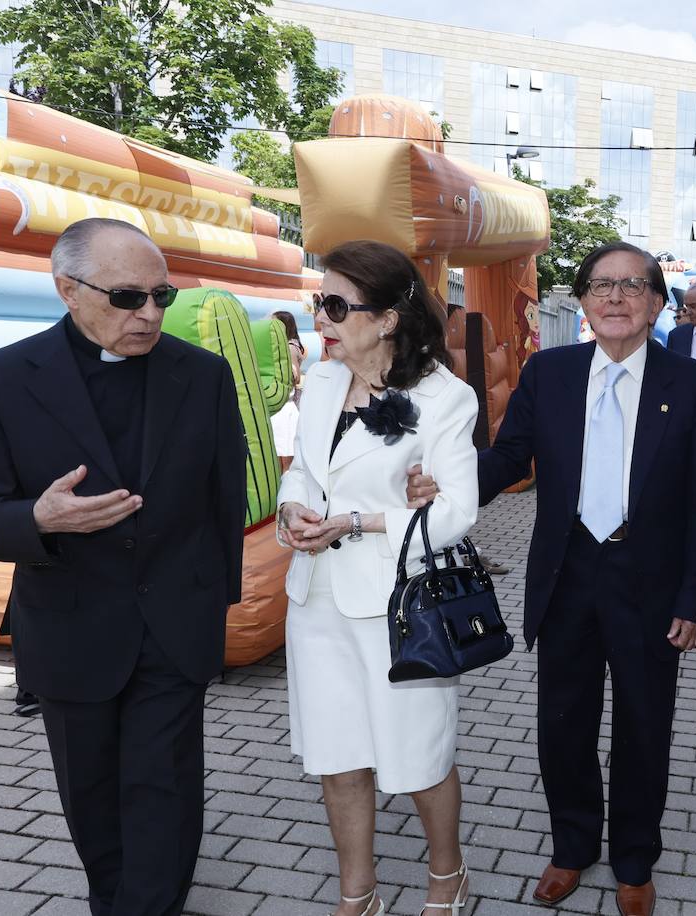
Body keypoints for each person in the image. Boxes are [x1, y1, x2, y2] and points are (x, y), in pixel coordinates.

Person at [0, 217, 247, 914]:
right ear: (67, 291)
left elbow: (223, 498)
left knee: (163, 791)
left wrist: (215, 607)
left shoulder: (201, 374)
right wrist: (37, 520)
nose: (148, 314)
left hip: (174, 625)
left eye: (160, 297)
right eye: (127, 297)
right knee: (92, 793)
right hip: (70, 627)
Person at [410, 242, 696, 916]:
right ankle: (573, 847)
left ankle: (635, 861)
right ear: (581, 302)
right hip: (567, 572)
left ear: (657, 303)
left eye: (632, 285)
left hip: (651, 582)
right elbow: (509, 457)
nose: (614, 297)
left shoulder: (690, 385)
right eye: (600, 285)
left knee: (644, 727)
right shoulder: (549, 373)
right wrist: (448, 484)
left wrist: (695, 596)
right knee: (564, 725)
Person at [276, 240, 478, 916]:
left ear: (387, 317)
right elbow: (305, 472)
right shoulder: (324, 382)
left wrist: (358, 523)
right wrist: (292, 512)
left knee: (417, 754)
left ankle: (446, 876)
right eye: (319, 302)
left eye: (335, 304)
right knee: (338, 756)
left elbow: (454, 511)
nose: (322, 318)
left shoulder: (445, 398)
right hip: (315, 601)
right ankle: (357, 894)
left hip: (400, 608)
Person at [270, 310, 307, 471]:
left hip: (286, 409)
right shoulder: (288, 346)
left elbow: (296, 377)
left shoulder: (290, 348)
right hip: (284, 408)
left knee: (285, 458)